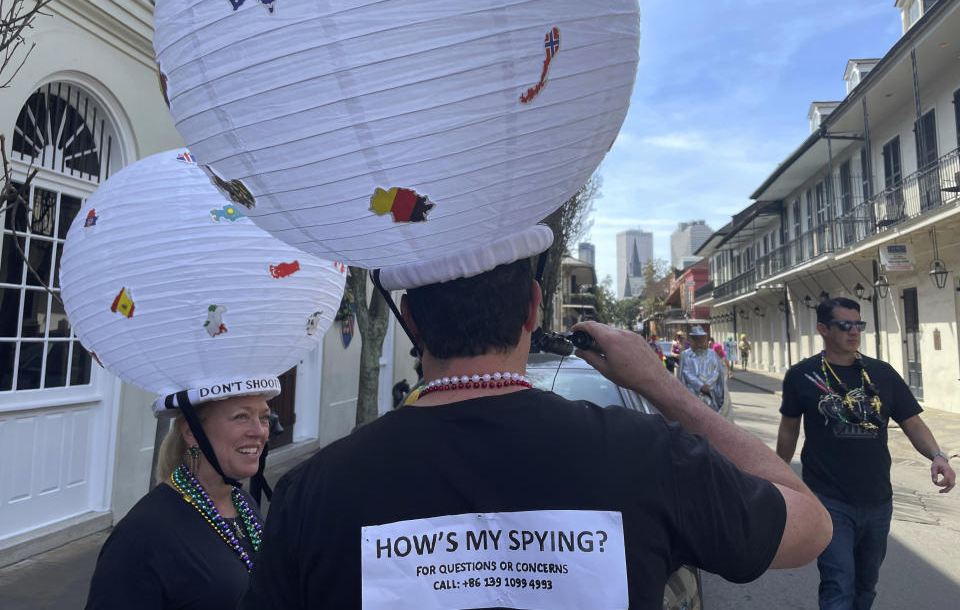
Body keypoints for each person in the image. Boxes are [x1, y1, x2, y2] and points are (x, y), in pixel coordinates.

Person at [242, 235, 831, 609]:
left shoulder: (312, 493)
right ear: (531, 308)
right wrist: (658, 384)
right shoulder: (648, 455)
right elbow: (810, 526)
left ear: (412, 320)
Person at [776, 298, 955, 610]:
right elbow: (789, 428)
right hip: (828, 499)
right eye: (844, 325)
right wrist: (778, 474)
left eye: (858, 324)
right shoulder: (801, 375)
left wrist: (937, 455)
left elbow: (912, 422)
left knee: (865, 587)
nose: (854, 332)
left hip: (878, 501)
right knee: (838, 584)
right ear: (823, 329)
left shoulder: (882, 373)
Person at [86, 384, 277, 610]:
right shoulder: (144, 532)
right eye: (241, 417)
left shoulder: (243, 503)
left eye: (264, 417)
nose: (259, 431)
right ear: (192, 433)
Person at [678, 326, 726, 412]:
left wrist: (708, 385)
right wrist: (700, 386)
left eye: (702, 338)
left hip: (710, 392)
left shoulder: (712, 354)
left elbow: (716, 372)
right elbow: (685, 372)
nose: (700, 341)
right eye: (697, 338)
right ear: (693, 339)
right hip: (692, 392)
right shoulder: (685, 355)